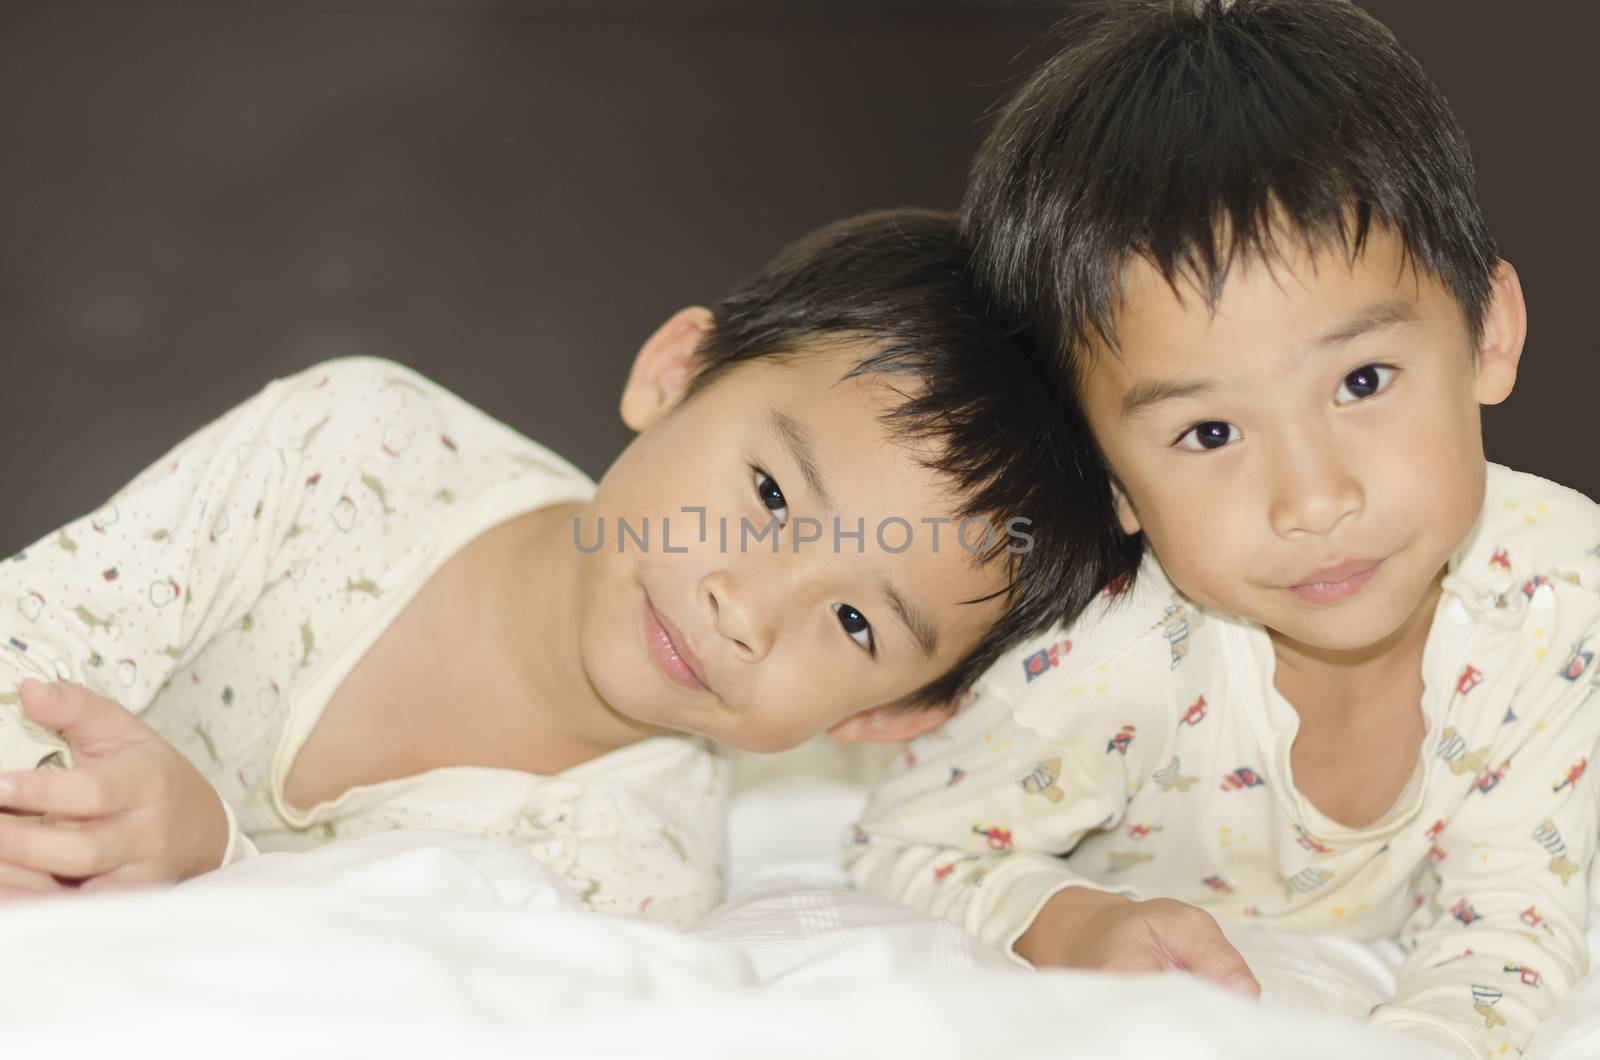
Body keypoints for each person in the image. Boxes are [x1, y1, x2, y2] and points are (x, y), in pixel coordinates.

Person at [0, 208, 1126, 928]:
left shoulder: (632, 878)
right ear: (673, 373)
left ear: (892, 717)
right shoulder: (349, 453)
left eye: (856, 624)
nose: (749, 609)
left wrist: (209, 859)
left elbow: (365, 996)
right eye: (772, 495)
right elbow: (33, 628)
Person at [844, 3, 1600, 1055]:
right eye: (1207, 431)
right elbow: (906, 844)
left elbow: (1513, 915)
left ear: (1489, 332)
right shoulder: (1106, 659)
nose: (1312, 499)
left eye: (1362, 380)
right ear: (1105, 474)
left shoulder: (1557, 596)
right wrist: (1072, 916)